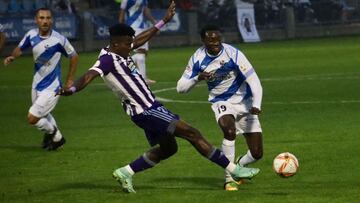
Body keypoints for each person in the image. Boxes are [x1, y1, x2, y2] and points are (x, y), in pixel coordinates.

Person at [57, 2, 259, 193]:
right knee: (192, 133)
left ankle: (125, 172)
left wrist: (163, 21)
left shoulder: (119, 50)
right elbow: (88, 75)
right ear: (116, 43)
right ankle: (233, 170)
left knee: (169, 148)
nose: (132, 47)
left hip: (149, 108)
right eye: (128, 44)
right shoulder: (107, 60)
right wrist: (72, 89)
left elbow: (141, 39)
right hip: (146, 111)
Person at [176, 24, 263, 191]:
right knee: (229, 131)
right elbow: (180, 88)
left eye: (218, 40)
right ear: (203, 41)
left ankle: (238, 164)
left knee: (257, 153)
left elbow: (254, 81)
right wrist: (197, 78)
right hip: (221, 102)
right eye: (211, 40)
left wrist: (257, 104)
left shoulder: (233, 53)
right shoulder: (197, 58)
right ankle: (229, 179)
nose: (216, 43)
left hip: (245, 104)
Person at [3, 8, 79, 150]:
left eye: (48, 18)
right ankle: (57, 139)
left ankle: (54, 133)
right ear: (36, 20)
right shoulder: (31, 35)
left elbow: (74, 56)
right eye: (42, 18)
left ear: (52, 20)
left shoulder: (59, 40)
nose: (45, 21)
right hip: (36, 84)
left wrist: (69, 80)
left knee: (32, 118)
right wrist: (13, 56)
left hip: (53, 88)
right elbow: (20, 48)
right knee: (44, 114)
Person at [119, 0, 157, 85]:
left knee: (143, 52)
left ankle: (121, 66)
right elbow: (122, 14)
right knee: (141, 53)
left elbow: (145, 10)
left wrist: (154, 23)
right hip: (134, 27)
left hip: (140, 27)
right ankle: (143, 79)